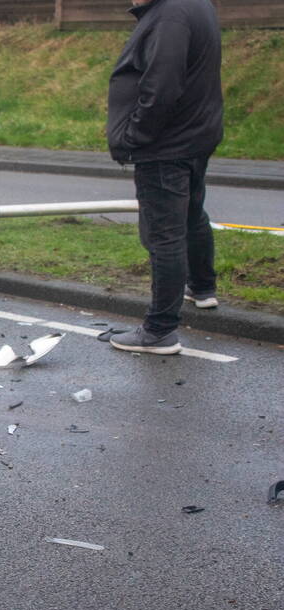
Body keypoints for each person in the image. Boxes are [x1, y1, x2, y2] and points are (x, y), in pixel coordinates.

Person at [106, 0, 223, 355]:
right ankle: (202, 288)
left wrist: (133, 137)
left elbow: (161, 86)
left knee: (164, 235)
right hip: (194, 135)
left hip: (165, 145)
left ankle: (159, 331)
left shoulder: (170, 15)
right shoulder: (194, 5)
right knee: (191, 214)